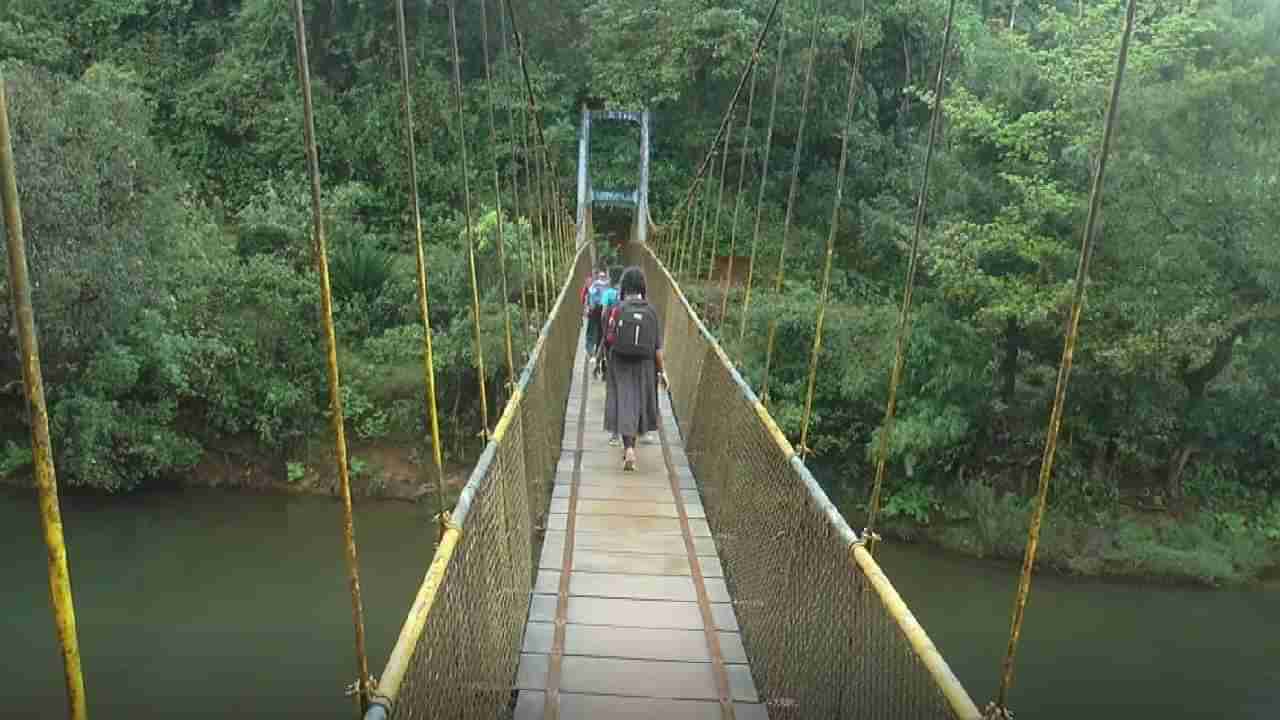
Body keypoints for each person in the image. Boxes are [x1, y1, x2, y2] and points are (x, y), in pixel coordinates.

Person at [603, 266, 666, 471]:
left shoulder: (619, 308)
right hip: (645, 364)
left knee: (624, 400)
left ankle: (628, 448)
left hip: (620, 361)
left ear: (624, 286)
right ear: (642, 286)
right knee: (638, 402)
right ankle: (632, 446)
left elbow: (609, 338)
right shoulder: (651, 311)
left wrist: (606, 362)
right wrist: (662, 371)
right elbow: (657, 348)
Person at [593, 277, 619, 381]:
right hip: (617, 321)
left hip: (608, 320)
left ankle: (600, 366)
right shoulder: (619, 293)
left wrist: (603, 324)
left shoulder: (607, 293)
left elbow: (603, 311)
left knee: (604, 341)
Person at [584, 269, 609, 357]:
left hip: (596, 310)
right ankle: (599, 351)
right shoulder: (606, 285)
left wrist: (588, 307)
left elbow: (590, 295)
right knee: (600, 331)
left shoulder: (595, 284)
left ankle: (593, 351)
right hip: (601, 310)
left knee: (595, 330)